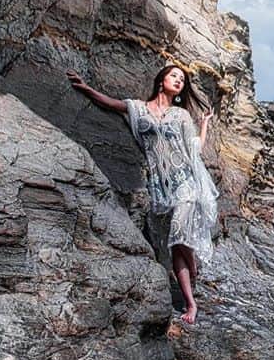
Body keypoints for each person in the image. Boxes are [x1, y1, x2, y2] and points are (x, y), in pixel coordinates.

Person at [66, 65, 218, 325]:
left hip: (186, 182)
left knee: (178, 232)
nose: (179, 81)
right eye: (174, 76)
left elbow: (195, 148)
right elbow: (111, 103)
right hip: (161, 187)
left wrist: (203, 124)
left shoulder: (181, 114)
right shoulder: (138, 108)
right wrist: (86, 88)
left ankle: (192, 270)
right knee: (175, 246)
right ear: (161, 80)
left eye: (182, 80)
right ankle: (190, 302)